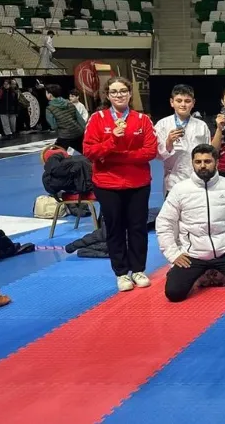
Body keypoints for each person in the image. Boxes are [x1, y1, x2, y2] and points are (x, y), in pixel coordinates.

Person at [156, 144, 225, 302]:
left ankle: (213, 274)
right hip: (193, 255)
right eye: (198, 162)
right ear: (192, 163)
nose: (202, 165)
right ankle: (200, 274)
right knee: (174, 294)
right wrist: (173, 254)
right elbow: (164, 222)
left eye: (207, 161)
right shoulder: (180, 189)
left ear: (216, 162)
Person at [83, 77, 158, 292]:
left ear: (129, 93)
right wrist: (112, 141)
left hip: (138, 183)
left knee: (137, 227)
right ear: (108, 95)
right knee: (115, 228)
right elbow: (89, 151)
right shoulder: (97, 119)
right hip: (107, 184)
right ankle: (121, 273)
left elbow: (150, 152)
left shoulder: (143, 120)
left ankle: (138, 269)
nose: (119, 95)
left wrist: (114, 156)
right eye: (114, 91)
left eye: (123, 90)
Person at [155, 84, 211, 194]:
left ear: (193, 103)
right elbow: (158, 155)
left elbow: (208, 152)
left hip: (197, 179)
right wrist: (169, 142)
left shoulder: (202, 126)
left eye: (187, 101)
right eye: (179, 101)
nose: (183, 104)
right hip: (172, 180)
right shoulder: (162, 125)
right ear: (172, 102)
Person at [45, 83, 86, 154]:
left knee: (55, 155)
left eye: (46, 93)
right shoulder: (69, 103)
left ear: (50, 95)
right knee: (86, 152)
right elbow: (80, 119)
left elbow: (54, 126)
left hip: (65, 136)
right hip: (78, 133)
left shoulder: (49, 109)